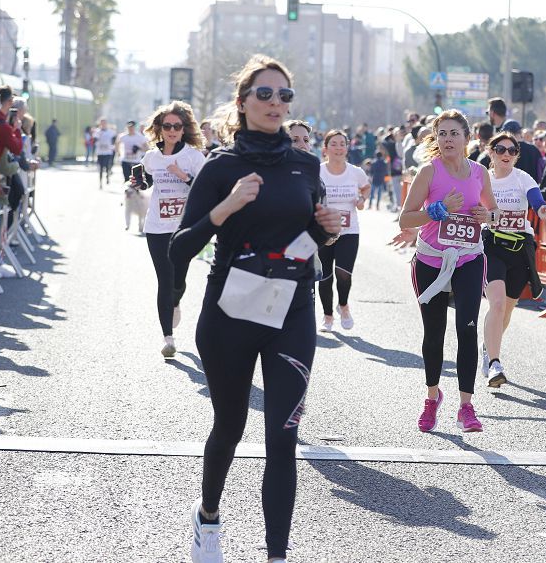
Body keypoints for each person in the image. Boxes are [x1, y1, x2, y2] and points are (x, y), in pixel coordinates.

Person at [168, 55, 341, 563]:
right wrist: (226, 208)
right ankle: (208, 516)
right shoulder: (222, 167)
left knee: (283, 438)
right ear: (242, 103)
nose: (275, 103)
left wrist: (325, 231)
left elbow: (308, 245)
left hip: (292, 310)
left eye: (284, 95)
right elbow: (179, 248)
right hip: (231, 313)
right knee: (230, 426)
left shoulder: (305, 165)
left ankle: (277, 556)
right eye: (264, 94)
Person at [399, 109, 498, 433]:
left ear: (467, 138)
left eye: (454, 133)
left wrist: (487, 217)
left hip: (468, 258)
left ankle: (466, 406)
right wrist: (439, 211)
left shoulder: (479, 173)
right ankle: (432, 398)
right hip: (430, 261)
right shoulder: (429, 171)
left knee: (467, 329)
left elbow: (493, 212)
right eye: (442, 134)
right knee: (434, 332)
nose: (447, 139)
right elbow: (406, 219)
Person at [132, 102, 207, 359]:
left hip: (184, 227)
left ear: (184, 128)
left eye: (177, 126)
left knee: (178, 280)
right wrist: (139, 182)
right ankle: (168, 338)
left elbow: (208, 189)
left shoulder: (194, 157)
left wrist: (184, 176)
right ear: (159, 129)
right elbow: (147, 181)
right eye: (167, 126)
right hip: (156, 227)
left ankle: (175, 302)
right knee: (164, 280)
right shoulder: (151, 157)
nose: (172, 130)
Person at [482, 131, 546, 387]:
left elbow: (536, 199)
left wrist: (542, 209)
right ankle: (494, 364)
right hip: (492, 245)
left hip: (520, 249)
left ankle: (488, 347)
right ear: (491, 153)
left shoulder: (522, 178)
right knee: (496, 305)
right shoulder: (484, 179)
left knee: (506, 311)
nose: (507, 154)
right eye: (501, 149)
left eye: (512, 150)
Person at [317, 129, 370, 331]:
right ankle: (328, 316)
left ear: (347, 148)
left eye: (342, 144)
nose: (339, 148)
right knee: (324, 275)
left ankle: (344, 305)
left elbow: (365, 187)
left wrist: (362, 199)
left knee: (343, 274)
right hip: (323, 230)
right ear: (325, 148)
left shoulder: (356, 172)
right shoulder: (318, 171)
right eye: (334, 144)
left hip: (349, 230)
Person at [94, 118, 117, 187]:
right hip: (100, 152)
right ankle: (100, 182)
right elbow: (94, 139)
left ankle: (107, 177)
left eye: (104, 123)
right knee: (100, 167)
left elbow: (114, 139)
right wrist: (96, 139)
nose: (103, 124)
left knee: (107, 166)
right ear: (100, 124)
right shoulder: (97, 131)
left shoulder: (110, 132)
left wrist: (113, 145)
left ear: (106, 124)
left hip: (108, 152)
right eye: (102, 123)